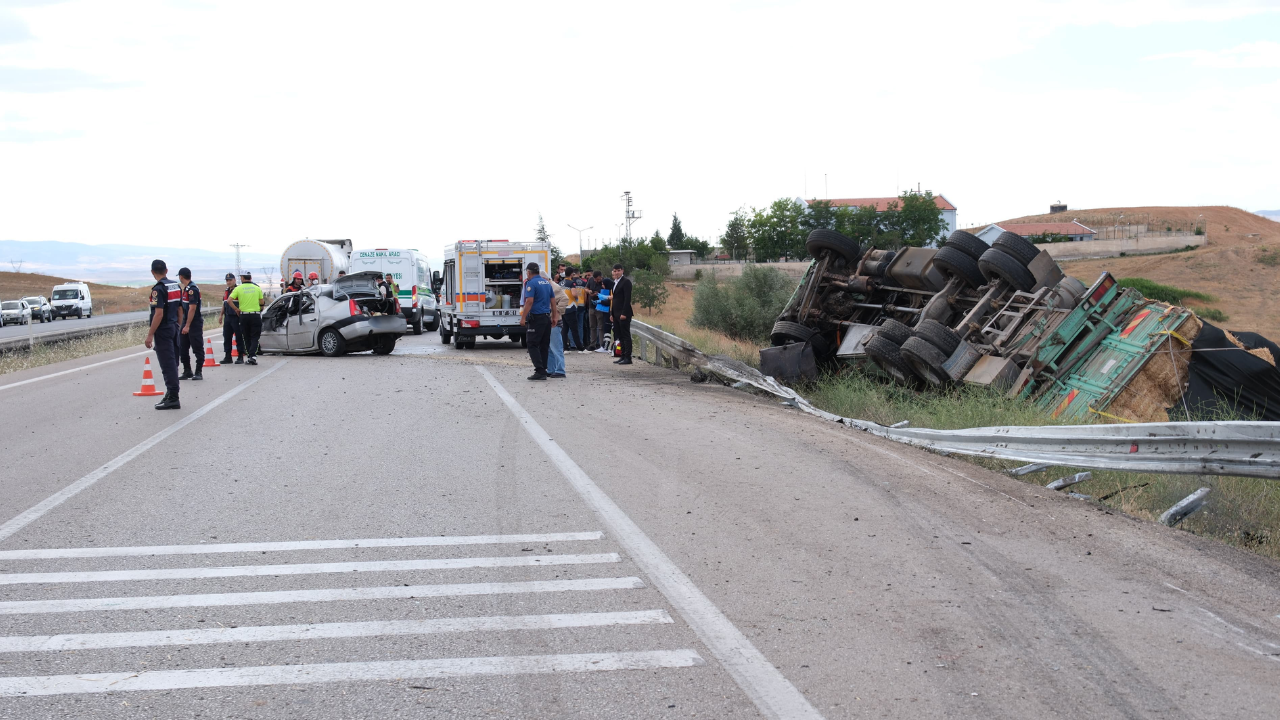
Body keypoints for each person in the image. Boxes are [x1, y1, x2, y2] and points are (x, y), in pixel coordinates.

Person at [145, 259, 182, 409]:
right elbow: (180, 309)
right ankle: (170, 393)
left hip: (163, 329)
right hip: (173, 327)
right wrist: (178, 325)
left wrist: (149, 335)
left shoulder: (158, 289)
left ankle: (173, 396)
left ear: (153, 272)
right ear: (166, 270)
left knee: (168, 364)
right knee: (173, 361)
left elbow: (158, 314)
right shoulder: (174, 285)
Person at [519, 262, 557, 380]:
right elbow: (553, 301)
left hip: (537, 318)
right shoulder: (547, 283)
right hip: (546, 317)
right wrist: (554, 317)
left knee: (532, 343)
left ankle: (539, 371)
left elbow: (529, 301)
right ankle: (543, 370)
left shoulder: (531, 283)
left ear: (529, 272)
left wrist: (523, 317)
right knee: (544, 345)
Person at [228, 270, 264, 365]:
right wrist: (260, 309)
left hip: (243, 316)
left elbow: (229, 301)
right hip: (255, 315)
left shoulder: (238, 289)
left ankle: (250, 356)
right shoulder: (257, 288)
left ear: (242, 278)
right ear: (251, 278)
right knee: (255, 337)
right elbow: (261, 303)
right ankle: (253, 356)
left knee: (246, 337)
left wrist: (236, 309)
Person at [176, 267, 204, 381]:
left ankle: (198, 371)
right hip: (185, 321)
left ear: (181, 277)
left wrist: (187, 325)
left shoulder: (192, 289)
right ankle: (187, 370)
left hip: (194, 322)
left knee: (197, 347)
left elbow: (192, 308)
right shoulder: (186, 289)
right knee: (182, 347)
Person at [218, 273, 244, 364]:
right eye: (227, 280)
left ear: (234, 280)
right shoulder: (226, 291)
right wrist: (221, 315)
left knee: (239, 337)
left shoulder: (238, 290)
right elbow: (224, 304)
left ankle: (240, 356)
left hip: (236, 317)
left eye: (230, 280)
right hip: (228, 317)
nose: (228, 282)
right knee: (227, 337)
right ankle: (228, 356)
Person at [547, 277, 571, 378]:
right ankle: (551, 369)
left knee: (556, 346)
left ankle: (560, 370)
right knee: (550, 347)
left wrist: (557, 311)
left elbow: (565, 298)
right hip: (550, 320)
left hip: (555, 321)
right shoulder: (549, 286)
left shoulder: (555, 287)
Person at [610, 264, 633, 365]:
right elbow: (614, 299)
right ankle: (622, 355)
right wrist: (612, 313)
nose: (616, 273)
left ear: (622, 271)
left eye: (618, 270)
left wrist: (624, 313)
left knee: (625, 335)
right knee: (619, 335)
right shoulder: (614, 283)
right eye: (615, 271)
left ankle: (628, 357)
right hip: (616, 313)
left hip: (623, 313)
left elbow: (627, 299)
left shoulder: (626, 282)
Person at [559, 272, 583, 352]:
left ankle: (565, 347)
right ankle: (580, 348)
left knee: (564, 329)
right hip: (571, 307)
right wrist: (577, 297)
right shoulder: (571, 283)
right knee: (574, 329)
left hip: (563, 308)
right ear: (571, 275)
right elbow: (574, 294)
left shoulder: (560, 283)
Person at [592, 273, 612, 352]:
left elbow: (609, 302)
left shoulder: (611, 291)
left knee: (608, 329)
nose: (602, 286)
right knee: (606, 329)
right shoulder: (606, 291)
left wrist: (600, 301)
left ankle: (606, 347)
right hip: (605, 312)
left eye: (603, 284)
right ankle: (604, 346)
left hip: (609, 313)